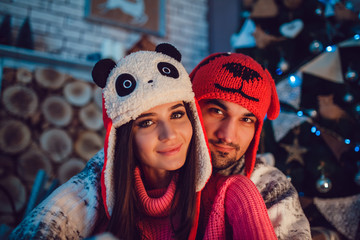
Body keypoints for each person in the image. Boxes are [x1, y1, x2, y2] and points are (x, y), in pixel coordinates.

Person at [9, 44, 277, 239]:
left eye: (177, 114)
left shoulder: (235, 192)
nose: (169, 134)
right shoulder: (96, 191)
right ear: (123, 137)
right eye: (147, 121)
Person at [190, 52, 312, 239]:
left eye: (246, 119)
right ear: (192, 110)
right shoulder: (156, 171)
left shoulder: (269, 187)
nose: (228, 136)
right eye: (217, 111)